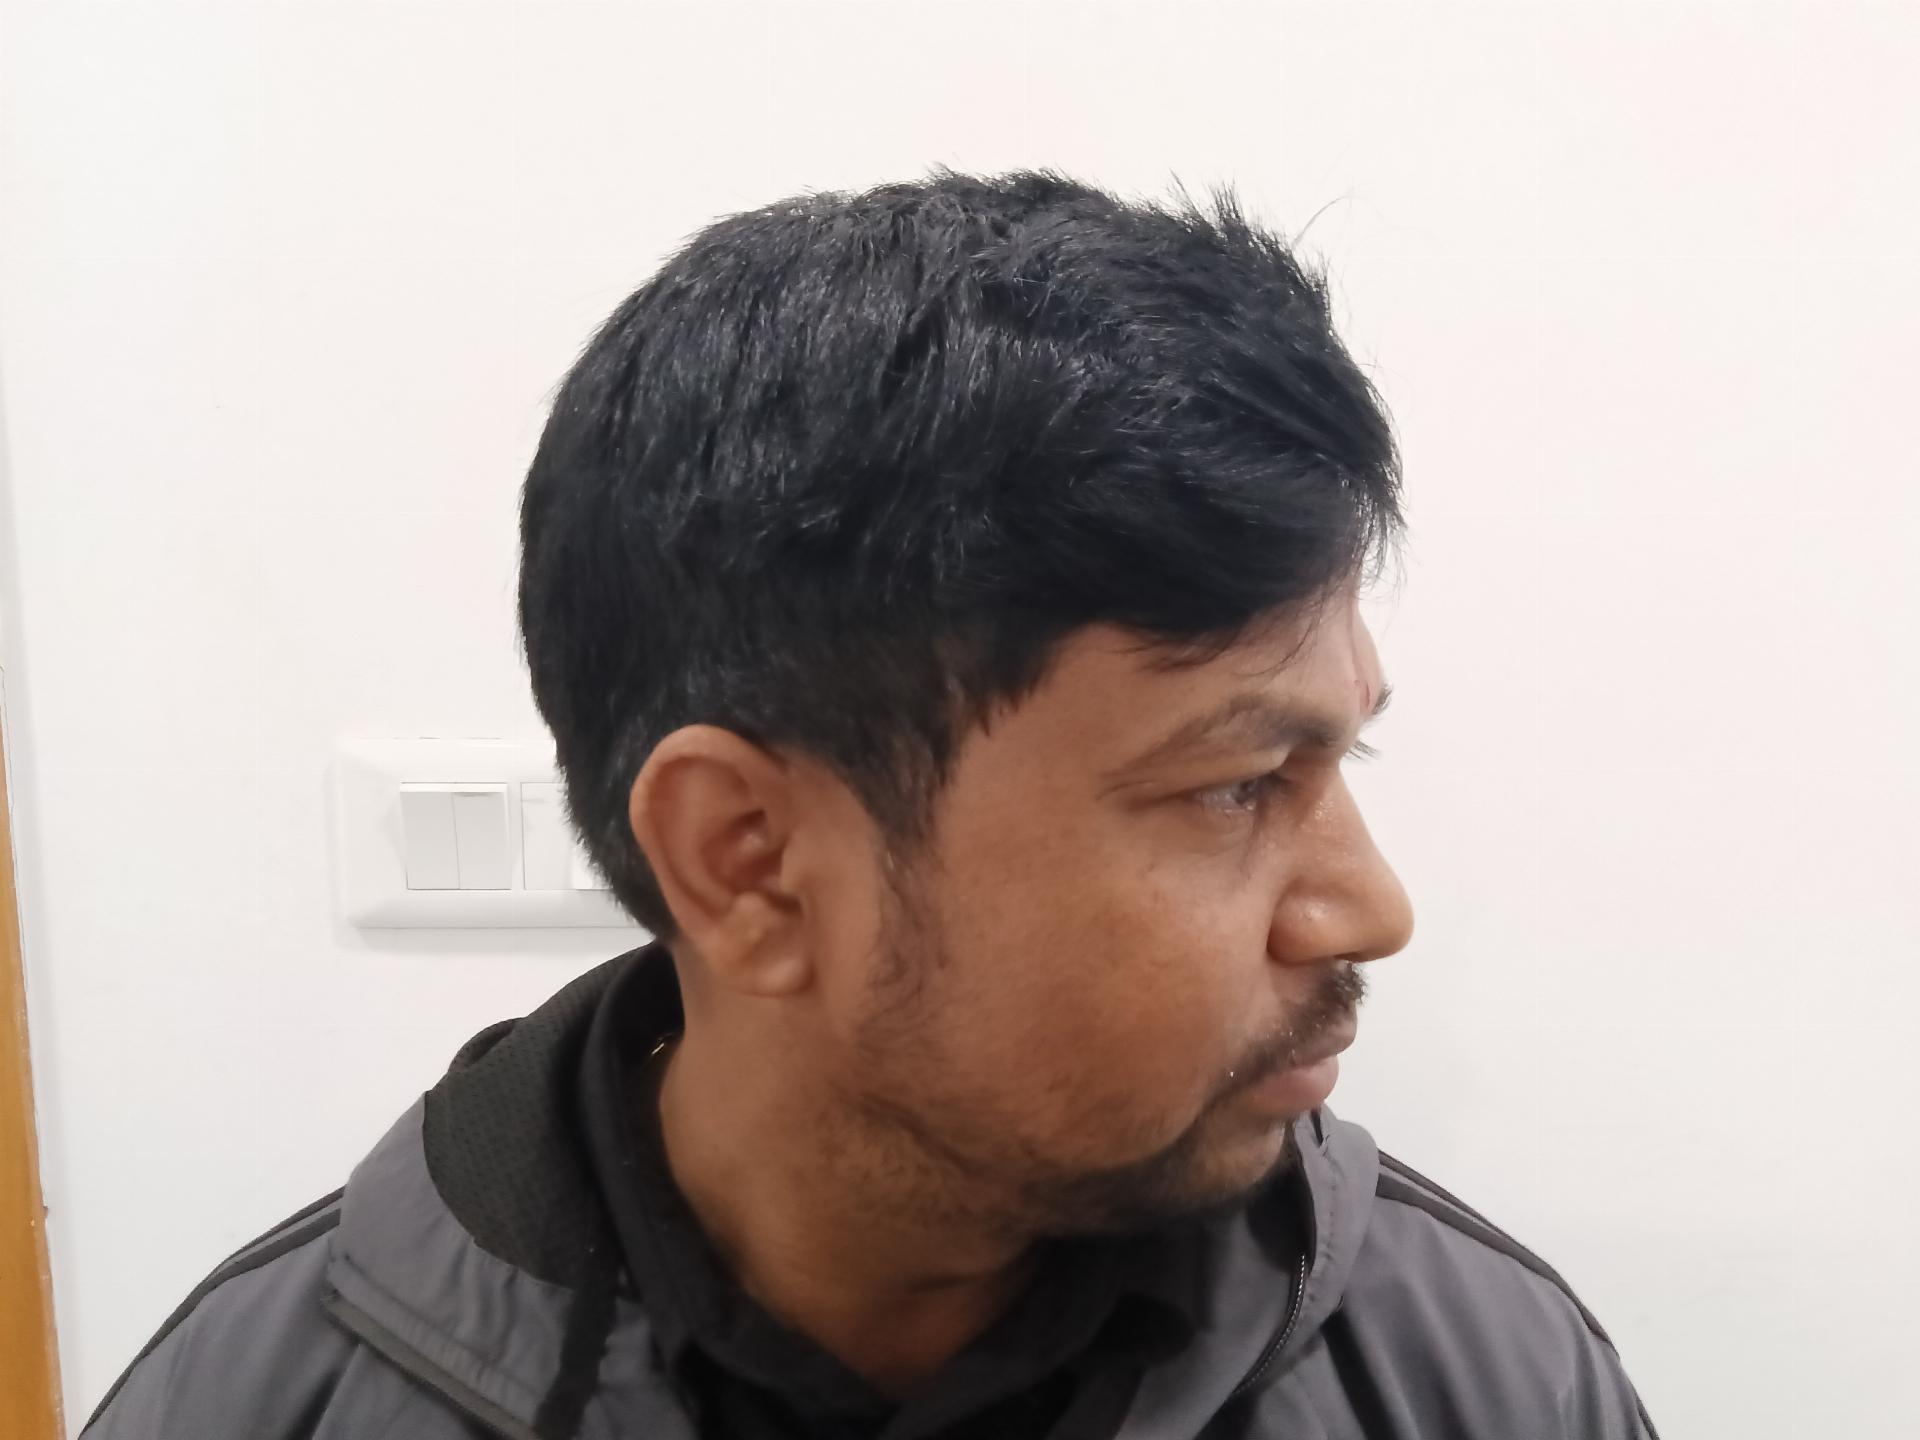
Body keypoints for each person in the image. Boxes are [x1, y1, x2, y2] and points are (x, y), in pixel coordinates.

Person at [85, 168, 1658, 1439]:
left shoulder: (1479, 1382)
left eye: (1339, 761)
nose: (1369, 908)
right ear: (748, 861)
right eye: (1239, 785)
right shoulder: (261, 1408)